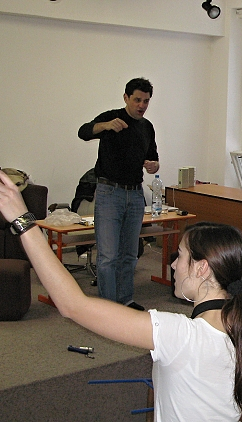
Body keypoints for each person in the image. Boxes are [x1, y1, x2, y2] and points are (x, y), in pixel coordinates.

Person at [0, 165, 242, 422]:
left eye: (180, 256)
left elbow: (72, 305)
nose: (172, 264)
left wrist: (24, 222)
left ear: (201, 268)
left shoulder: (177, 335)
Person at [78, 77, 160, 311]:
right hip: (109, 193)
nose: (141, 105)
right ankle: (108, 307)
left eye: (146, 101)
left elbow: (153, 158)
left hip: (135, 195)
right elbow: (83, 132)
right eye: (137, 100)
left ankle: (125, 300)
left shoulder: (147, 127)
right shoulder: (112, 118)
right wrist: (104, 126)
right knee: (108, 256)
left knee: (129, 254)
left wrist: (154, 166)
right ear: (126, 98)